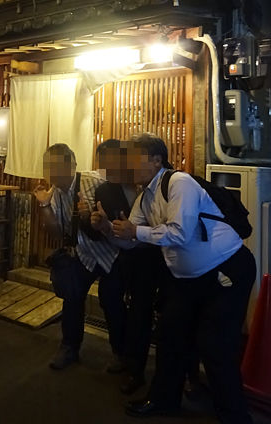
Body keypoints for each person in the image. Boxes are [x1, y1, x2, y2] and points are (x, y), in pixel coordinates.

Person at [110, 133, 256, 423]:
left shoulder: (179, 183)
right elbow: (130, 241)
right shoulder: (145, 196)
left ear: (156, 160)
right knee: (170, 336)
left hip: (225, 271)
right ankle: (164, 400)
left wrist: (134, 232)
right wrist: (108, 229)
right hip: (186, 280)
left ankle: (235, 417)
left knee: (215, 346)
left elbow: (180, 233)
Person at [33, 143, 126, 371]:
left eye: (55, 166)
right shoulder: (55, 193)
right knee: (72, 297)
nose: (51, 172)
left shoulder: (94, 181)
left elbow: (119, 207)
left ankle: (122, 354)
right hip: (84, 255)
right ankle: (69, 347)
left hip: (110, 253)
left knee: (111, 301)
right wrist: (44, 205)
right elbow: (56, 233)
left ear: (72, 165)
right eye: (47, 166)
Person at [90, 139, 168, 395]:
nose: (108, 169)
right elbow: (116, 233)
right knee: (111, 297)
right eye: (104, 165)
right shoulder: (104, 191)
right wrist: (100, 225)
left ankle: (147, 370)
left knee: (146, 311)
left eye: (113, 163)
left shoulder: (156, 183)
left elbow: (166, 228)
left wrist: (133, 233)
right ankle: (123, 354)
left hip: (157, 256)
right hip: (122, 254)